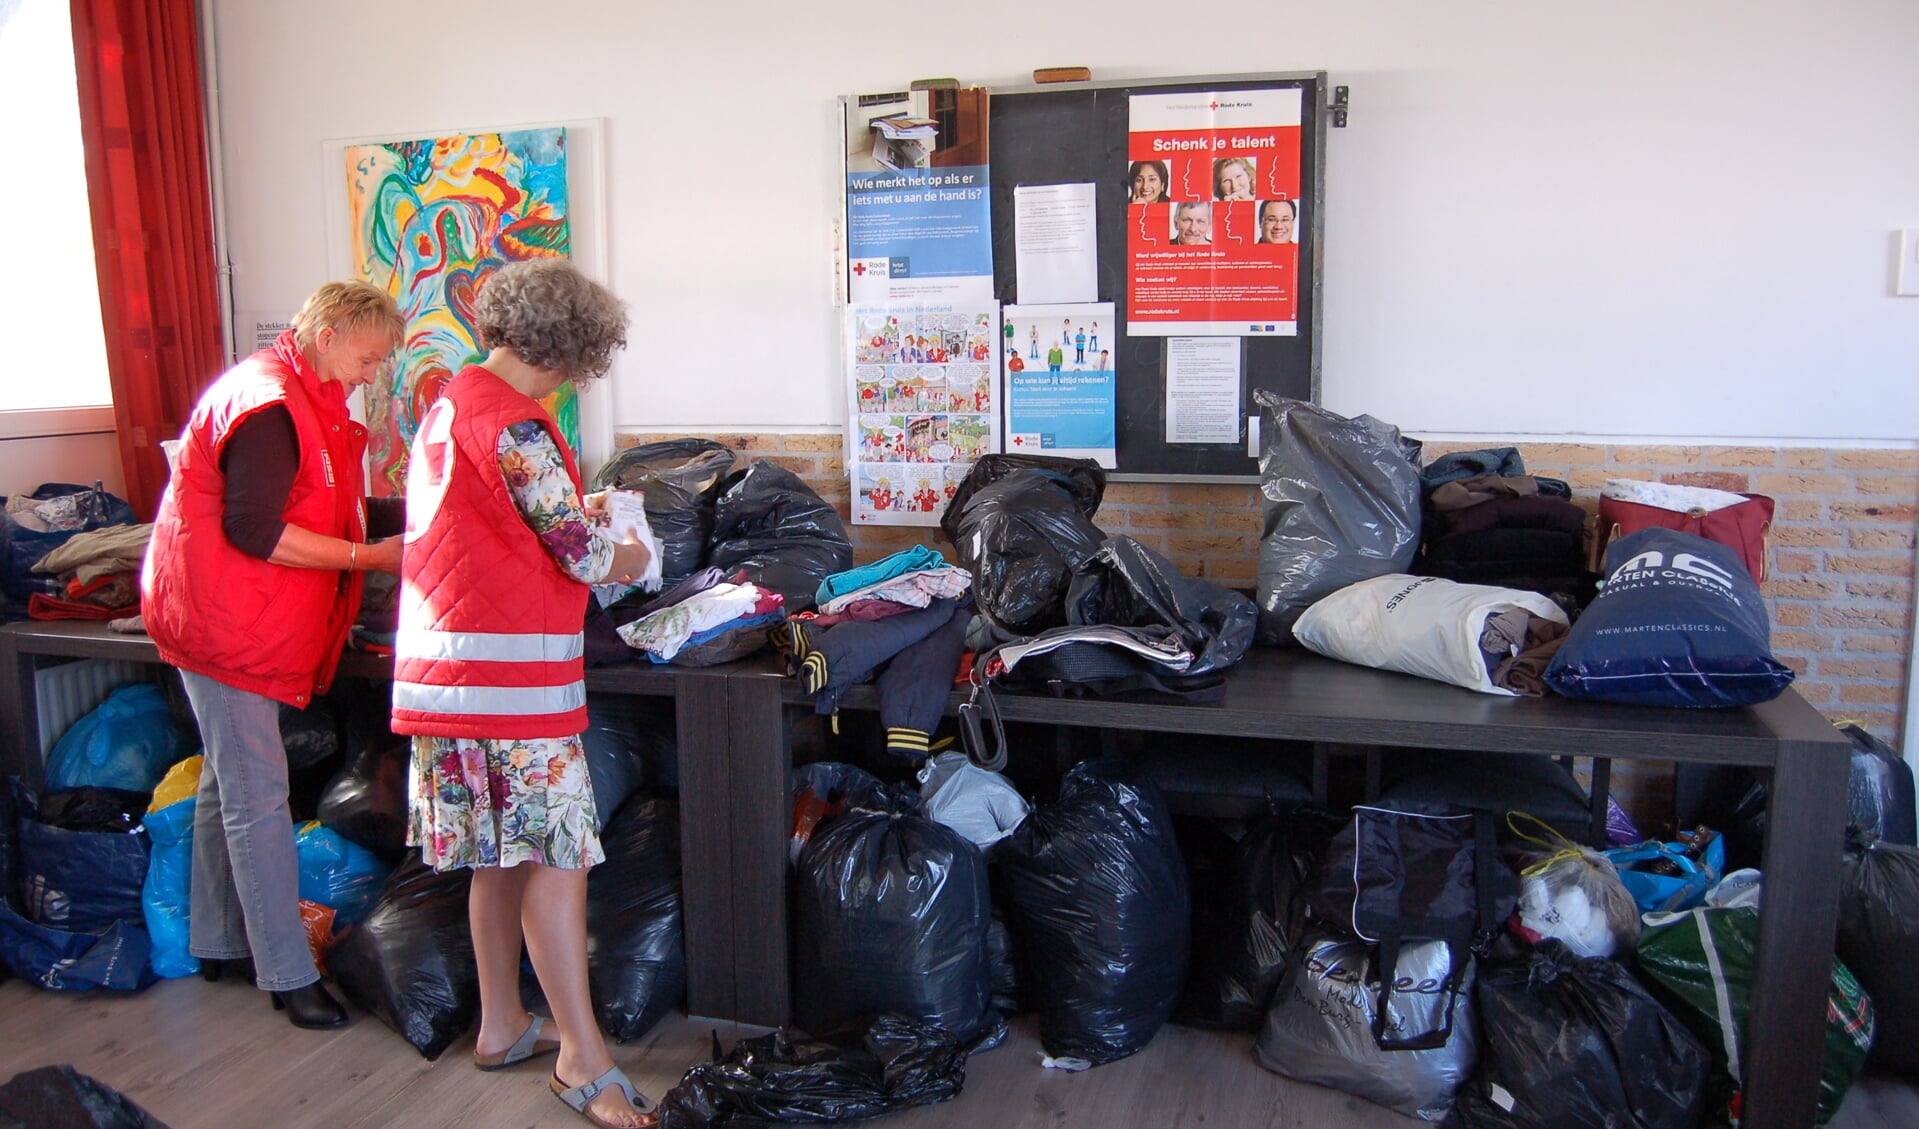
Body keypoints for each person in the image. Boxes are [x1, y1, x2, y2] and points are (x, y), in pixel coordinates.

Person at [393, 260, 655, 1129]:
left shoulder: (446, 405)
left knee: (495, 854)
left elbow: (487, 530)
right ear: (572, 350)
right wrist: (628, 547)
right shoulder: (518, 429)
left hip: (447, 679)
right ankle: (583, 1056)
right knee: (558, 856)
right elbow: (580, 556)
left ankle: (502, 1022)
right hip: (511, 688)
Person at [141, 281, 406, 1029]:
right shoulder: (266, 404)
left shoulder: (303, 399)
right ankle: (287, 974)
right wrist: (369, 557)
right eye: (368, 354)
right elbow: (254, 530)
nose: (371, 370)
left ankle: (221, 942)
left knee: (226, 787)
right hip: (224, 626)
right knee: (258, 796)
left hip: (238, 619)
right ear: (329, 333)